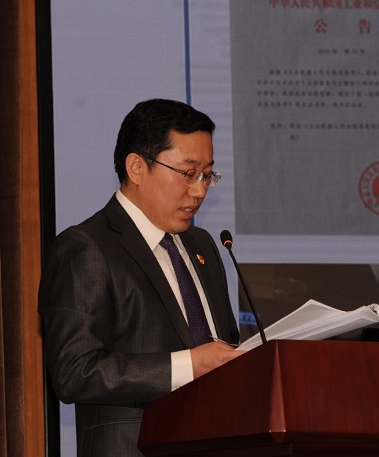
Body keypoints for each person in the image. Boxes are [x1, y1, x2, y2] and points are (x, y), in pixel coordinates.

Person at [38, 98, 244, 456]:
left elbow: (223, 347)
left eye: (207, 175)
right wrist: (188, 365)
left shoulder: (203, 246)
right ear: (136, 167)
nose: (199, 190)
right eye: (188, 173)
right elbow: (74, 371)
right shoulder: (86, 247)